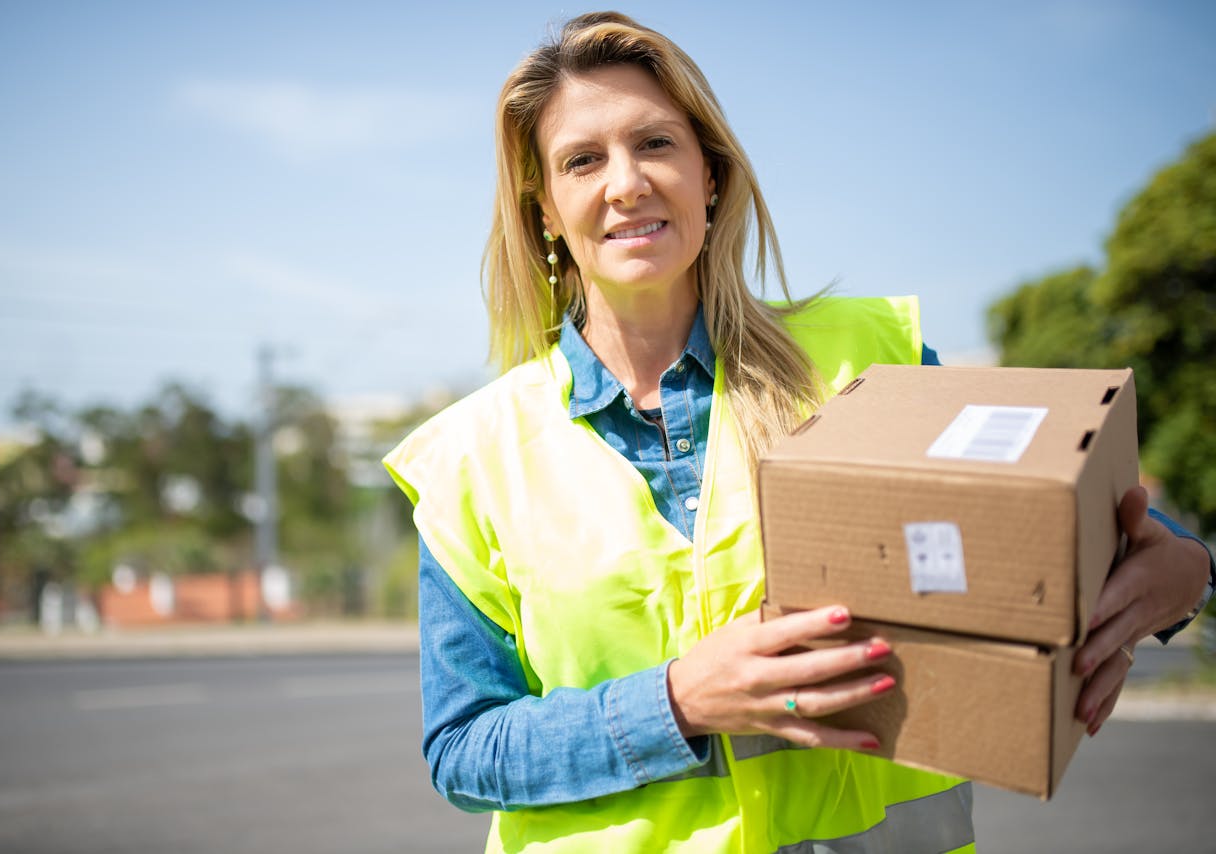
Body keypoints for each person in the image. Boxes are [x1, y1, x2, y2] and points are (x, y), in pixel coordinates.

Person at [384, 11, 1216, 853]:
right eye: (583, 160)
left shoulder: (867, 361)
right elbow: (463, 750)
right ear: (546, 211)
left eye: (656, 143)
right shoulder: (473, 457)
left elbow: (1048, 503)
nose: (626, 182)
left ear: (710, 174)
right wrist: (676, 703)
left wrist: (1183, 569)